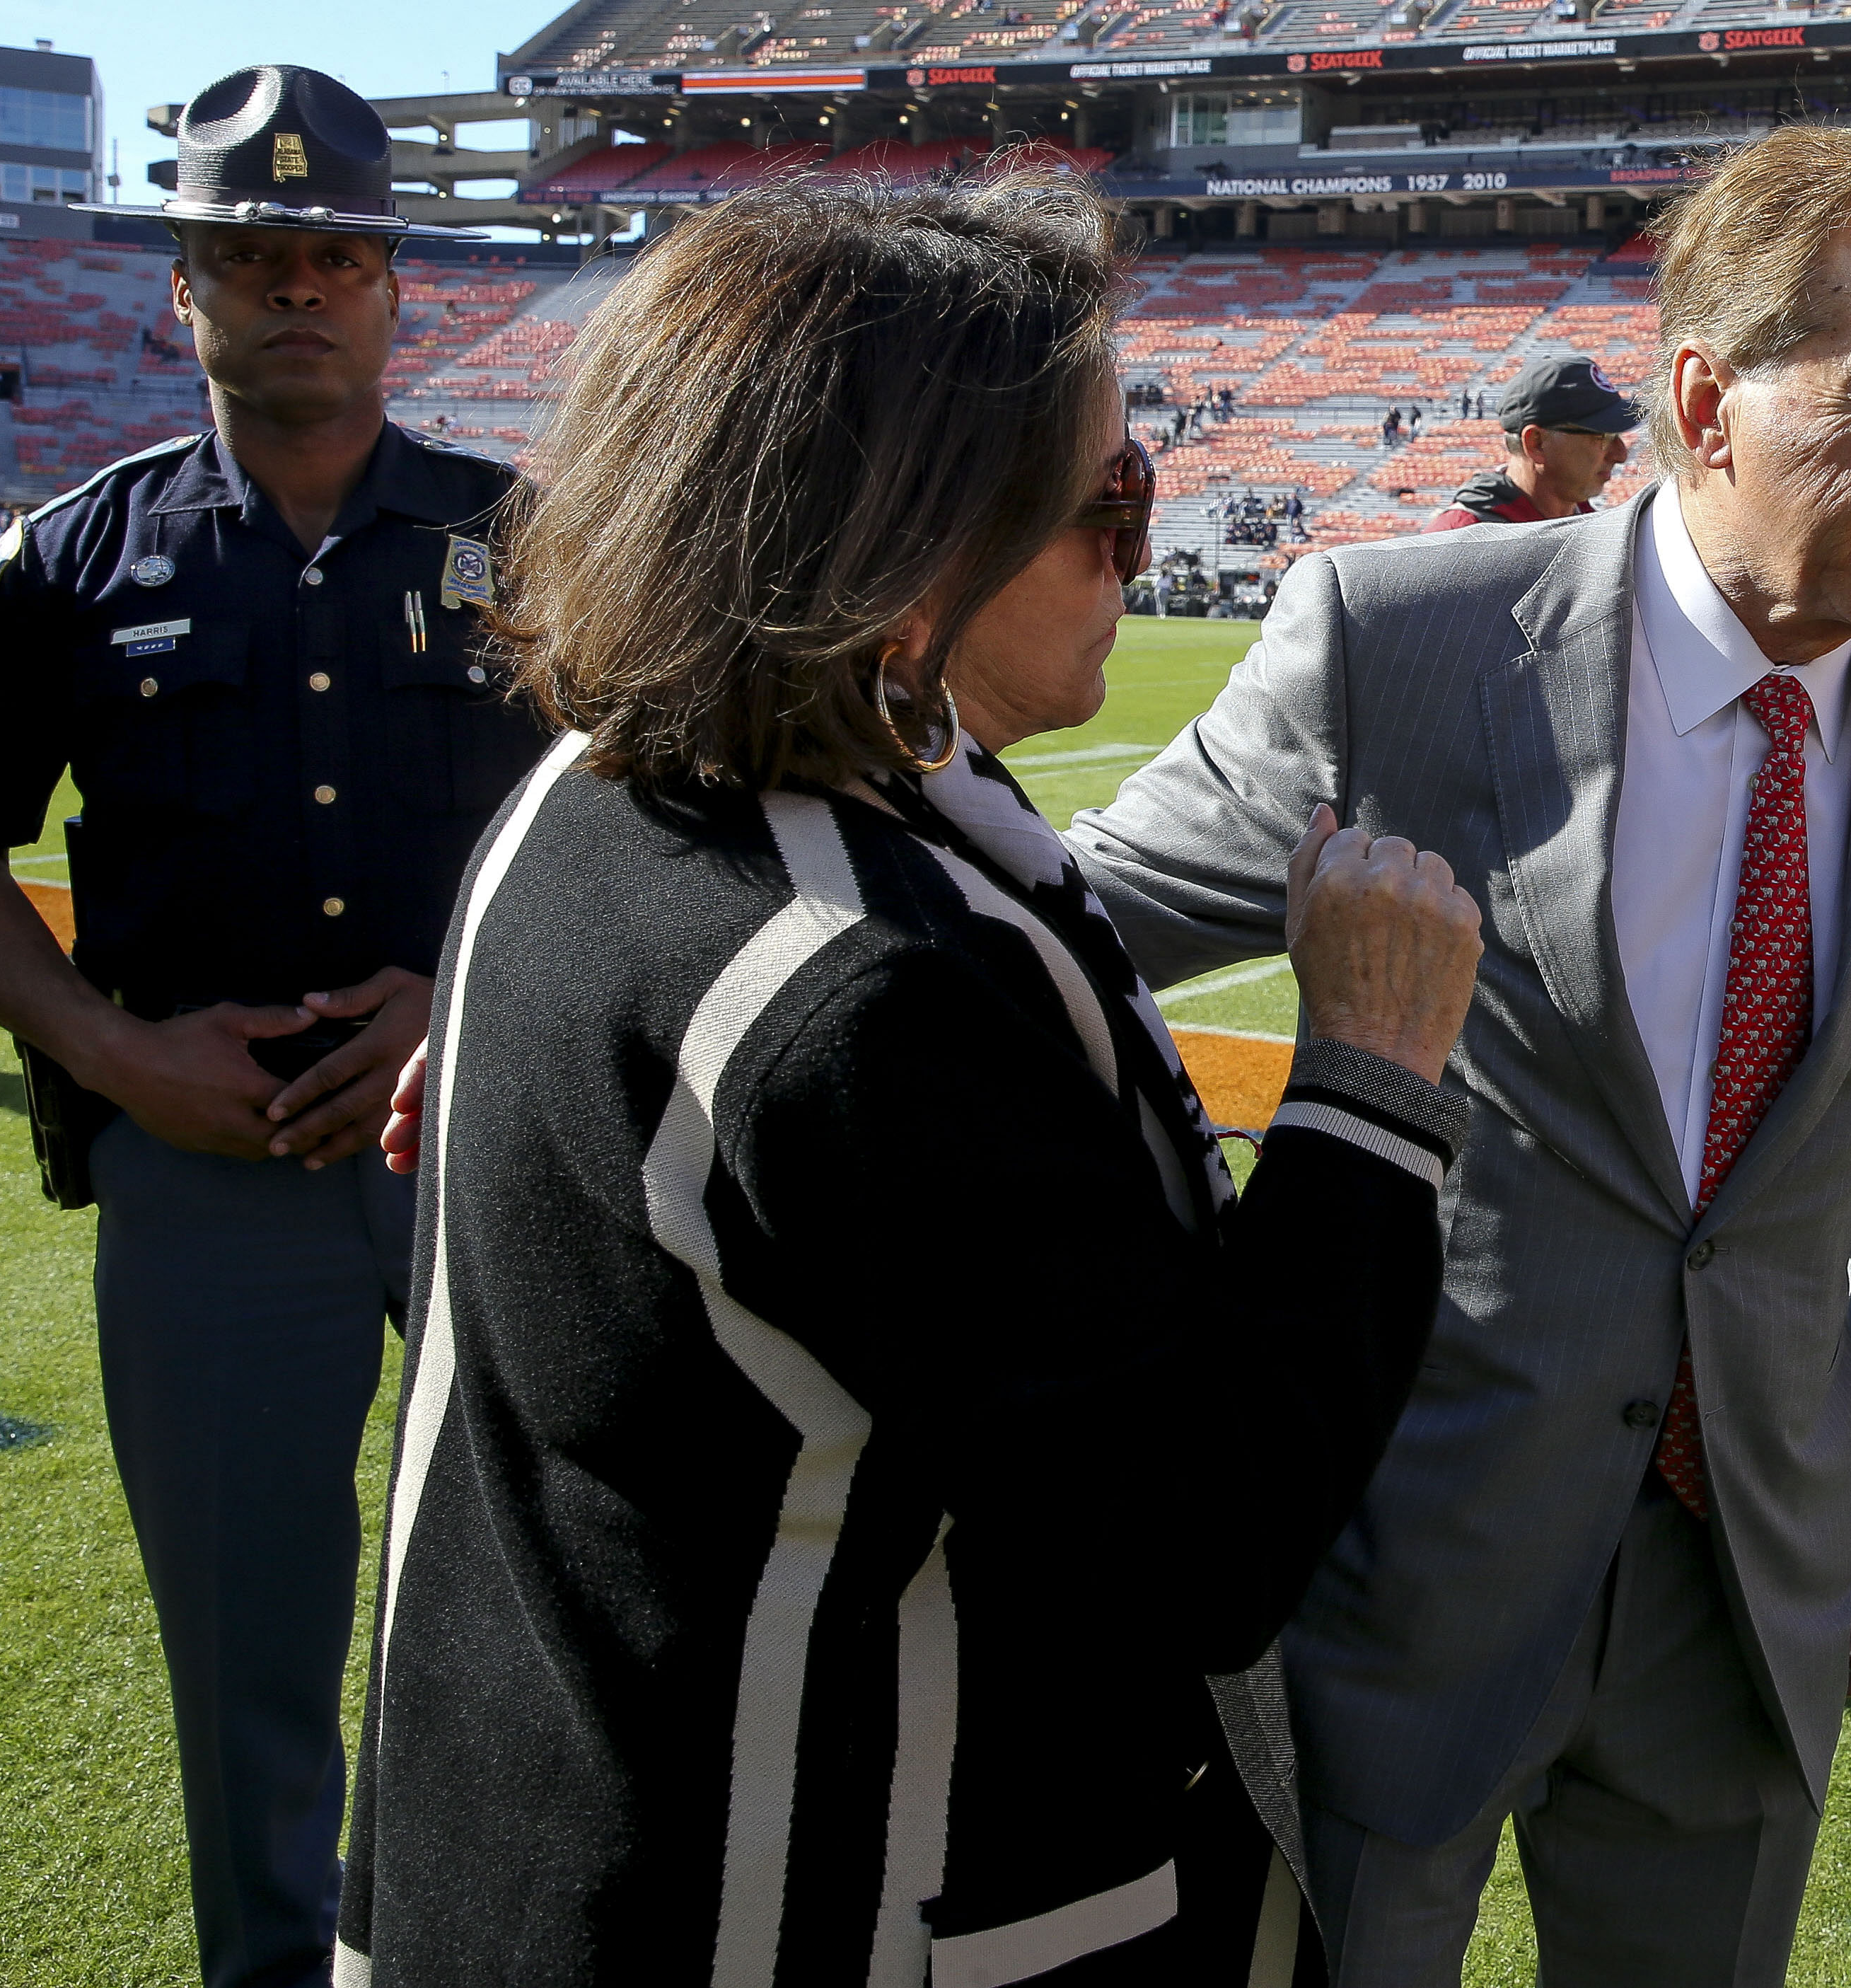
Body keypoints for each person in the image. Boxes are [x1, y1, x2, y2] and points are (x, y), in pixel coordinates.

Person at [339, 169, 1483, 1985]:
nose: (1145, 539)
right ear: (901, 556)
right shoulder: (852, 985)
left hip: (558, 1831)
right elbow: (1203, 1533)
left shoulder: (599, 797)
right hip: (818, 1895)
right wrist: (1366, 1086)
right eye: (1107, 503)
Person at [1069, 124, 1851, 1984]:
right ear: (1705, 398)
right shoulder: (1405, 644)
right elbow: (1068, 930)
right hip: (1402, 1552)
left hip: (1748, 1568)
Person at [0, 65, 550, 1988]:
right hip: (207, 1176)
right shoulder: (70, 565)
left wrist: (464, 990)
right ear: (178, 289)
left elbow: (636, 795)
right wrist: (106, 1054)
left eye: (335, 249)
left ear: (394, 284)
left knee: (530, 1629)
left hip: (489, 1157)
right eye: (248, 253)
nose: (298, 283)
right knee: (244, 1661)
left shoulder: (533, 539)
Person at [1422, 352, 1635, 531]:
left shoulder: (1591, 524)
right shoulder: (1459, 541)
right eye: (1603, 437)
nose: (1621, 454)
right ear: (1537, 443)